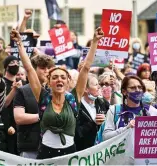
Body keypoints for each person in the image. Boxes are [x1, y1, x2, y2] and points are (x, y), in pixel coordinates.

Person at [10, 27, 104, 159]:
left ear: (68, 81)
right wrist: (19, 43)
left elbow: (86, 68)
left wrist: (95, 42)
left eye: (62, 77)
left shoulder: (74, 98)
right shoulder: (43, 97)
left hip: (69, 154)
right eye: (54, 77)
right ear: (49, 82)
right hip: (45, 154)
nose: (59, 79)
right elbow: (29, 69)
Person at [102, 75, 157, 141]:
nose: (137, 90)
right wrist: (126, 128)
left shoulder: (150, 110)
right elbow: (105, 136)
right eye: (133, 88)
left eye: (140, 87)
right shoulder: (115, 110)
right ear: (124, 92)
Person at [13, 54, 54, 159]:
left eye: (48, 68)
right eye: (42, 68)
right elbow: (19, 118)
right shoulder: (22, 91)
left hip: (51, 146)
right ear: (33, 70)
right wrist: (42, 116)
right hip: (30, 147)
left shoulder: (53, 92)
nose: (46, 71)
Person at [75, 74, 109, 151]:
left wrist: (106, 119)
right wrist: (92, 123)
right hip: (83, 151)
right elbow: (76, 133)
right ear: (86, 89)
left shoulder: (102, 102)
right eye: (96, 85)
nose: (99, 87)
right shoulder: (77, 106)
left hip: (101, 149)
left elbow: (112, 120)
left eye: (98, 84)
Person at [0, 55, 22, 155]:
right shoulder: (1, 83)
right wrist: (14, 90)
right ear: (6, 66)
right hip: (7, 128)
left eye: (17, 63)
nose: (15, 64)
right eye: (12, 62)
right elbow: (3, 104)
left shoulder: (22, 83)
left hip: (20, 128)